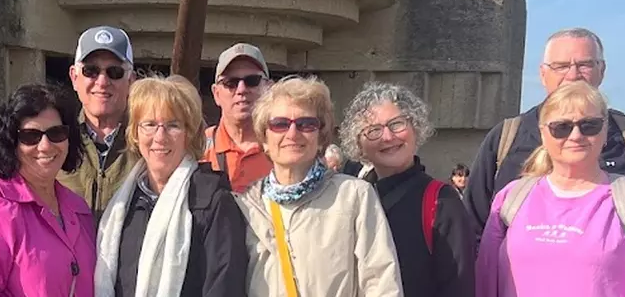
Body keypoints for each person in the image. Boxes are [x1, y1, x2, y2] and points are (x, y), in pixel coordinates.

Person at [463, 27, 625, 254]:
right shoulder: (505, 139)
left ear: (602, 70)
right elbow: (472, 228)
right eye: (560, 66)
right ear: (542, 73)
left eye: (585, 65)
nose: (572, 75)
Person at [476, 81, 625, 297]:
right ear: (543, 133)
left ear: (605, 130)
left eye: (589, 125)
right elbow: (486, 280)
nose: (576, 136)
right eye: (561, 128)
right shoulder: (511, 198)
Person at [236, 76, 404, 296]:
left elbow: (381, 283)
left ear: (320, 136)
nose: (292, 133)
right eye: (280, 124)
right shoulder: (246, 205)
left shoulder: (354, 196)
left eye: (306, 124)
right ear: (265, 139)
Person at [95, 76, 248, 297]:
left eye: (173, 125)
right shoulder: (122, 205)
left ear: (189, 134)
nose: (160, 137)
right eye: (149, 125)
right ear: (135, 134)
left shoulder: (213, 201)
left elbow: (224, 287)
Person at [0, 83, 96, 297]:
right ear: (11, 142)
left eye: (56, 133)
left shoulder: (78, 209)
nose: (45, 145)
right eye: (30, 136)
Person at [342, 82, 474, 297]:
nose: (388, 137)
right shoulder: (351, 198)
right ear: (359, 143)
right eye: (373, 130)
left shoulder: (441, 201)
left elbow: (459, 287)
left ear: (416, 129)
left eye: (397, 124)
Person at [60, 25, 138, 216]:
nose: (102, 82)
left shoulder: (149, 142)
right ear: (74, 77)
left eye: (115, 72)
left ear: (131, 80)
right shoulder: (55, 140)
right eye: (91, 71)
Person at [201, 43, 274, 192]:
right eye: (230, 83)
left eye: (252, 81)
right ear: (216, 94)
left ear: (269, 89)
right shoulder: (197, 148)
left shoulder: (284, 146)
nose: (241, 89)